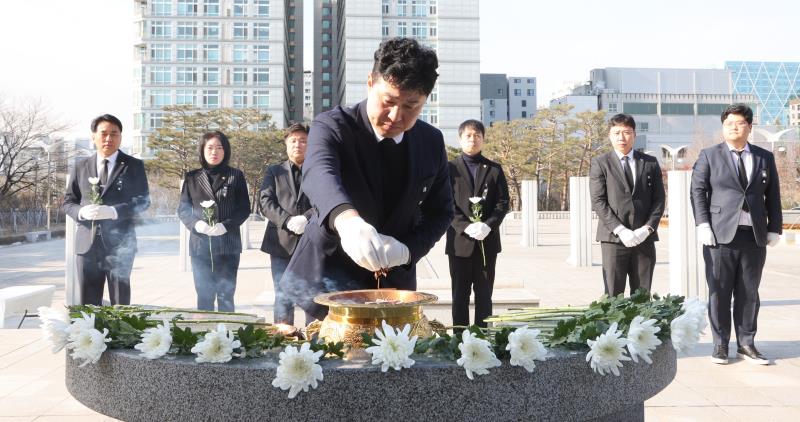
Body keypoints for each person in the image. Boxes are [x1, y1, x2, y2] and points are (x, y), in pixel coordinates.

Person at [280, 37, 454, 320]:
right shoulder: (332, 125)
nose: (396, 116)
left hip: (393, 284)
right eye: (389, 101)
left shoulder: (431, 141)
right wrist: (348, 222)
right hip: (330, 279)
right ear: (370, 82)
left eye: (412, 106)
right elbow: (318, 174)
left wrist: (407, 250)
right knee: (329, 357)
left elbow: (441, 210)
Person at [690, 103, 782, 365]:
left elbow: (772, 195)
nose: (733, 127)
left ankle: (746, 343)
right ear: (723, 127)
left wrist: (774, 227)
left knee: (749, 292)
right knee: (719, 291)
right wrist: (702, 224)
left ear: (749, 127)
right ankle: (720, 345)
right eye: (728, 123)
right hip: (719, 236)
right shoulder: (709, 155)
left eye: (739, 123)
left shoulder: (765, 157)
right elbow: (697, 191)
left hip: (753, 235)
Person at [62, 114, 150, 305]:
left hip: (120, 244)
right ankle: (90, 335)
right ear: (93, 136)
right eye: (103, 134)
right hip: (87, 245)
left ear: (120, 137)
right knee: (88, 303)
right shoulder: (80, 166)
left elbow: (143, 201)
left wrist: (114, 211)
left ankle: (119, 335)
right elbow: (68, 202)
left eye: (114, 134)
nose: (109, 138)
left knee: (120, 301)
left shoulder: (133, 166)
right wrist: (81, 212)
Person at [589, 113, 665, 297]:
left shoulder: (650, 162)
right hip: (613, 239)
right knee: (613, 294)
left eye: (627, 132)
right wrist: (620, 230)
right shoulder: (600, 163)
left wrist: (647, 228)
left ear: (634, 135)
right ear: (610, 135)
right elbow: (598, 201)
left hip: (643, 239)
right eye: (617, 133)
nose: (622, 137)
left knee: (642, 296)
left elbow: (659, 199)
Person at [445, 119, 509, 328]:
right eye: (468, 136)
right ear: (461, 139)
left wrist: (488, 224)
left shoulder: (494, 169)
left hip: (486, 243)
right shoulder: (449, 169)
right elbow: (444, 203)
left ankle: (482, 340)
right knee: (459, 296)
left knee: (484, 295)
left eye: (477, 136)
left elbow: (503, 202)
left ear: (483, 139)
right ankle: (460, 341)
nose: (473, 139)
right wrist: (465, 225)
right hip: (460, 244)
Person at [178, 131, 250, 312]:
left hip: (228, 245)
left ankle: (227, 336)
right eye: (209, 148)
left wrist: (225, 225)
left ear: (225, 151)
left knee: (226, 295)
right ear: (202, 150)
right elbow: (183, 209)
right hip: (200, 245)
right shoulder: (192, 177)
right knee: (204, 295)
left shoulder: (236, 175)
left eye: (219, 148)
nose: (214, 152)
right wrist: (197, 224)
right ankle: (205, 336)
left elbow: (243, 209)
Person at [259, 123, 313, 325]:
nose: (297, 144)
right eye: (293, 141)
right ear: (286, 145)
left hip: (311, 242)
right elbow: (265, 202)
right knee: (282, 294)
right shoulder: (274, 171)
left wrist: (306, 218)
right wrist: (287, 221)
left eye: (303, 140)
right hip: (280, 242)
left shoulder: (318, 170)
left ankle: (313, 338)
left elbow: (323, 200)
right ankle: (283, 339)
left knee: (311, 294)